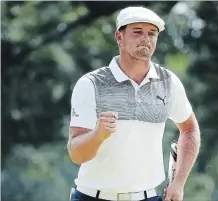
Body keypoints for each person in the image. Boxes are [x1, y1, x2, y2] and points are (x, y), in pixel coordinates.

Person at [67, 6, 201, 201]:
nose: (145, 38)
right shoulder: (91, 84)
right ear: (119, 37)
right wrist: (97, 135)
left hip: (148, 197)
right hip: (92, 197)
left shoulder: (168, 82)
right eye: (137, 32)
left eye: (152, 33)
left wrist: (179, 183)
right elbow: (76, 154)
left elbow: (190, 129)